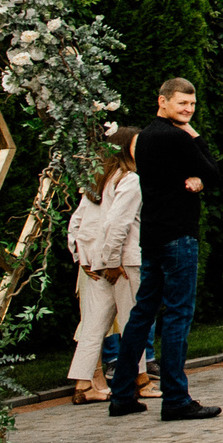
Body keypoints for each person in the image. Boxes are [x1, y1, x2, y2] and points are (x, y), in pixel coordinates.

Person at [109, 78, 221, 421]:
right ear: (163, 101)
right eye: (182, 104)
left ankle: (122, 395)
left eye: (192, 105)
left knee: (142, 313)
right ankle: (175, 398)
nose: (188, 110)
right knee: (177, 315)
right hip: (177, 236)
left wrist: (196, 178)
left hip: (153, 237)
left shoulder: (144, 138)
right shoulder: (176, 136)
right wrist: (195, 136)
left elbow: (187, 175)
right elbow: (212, 170)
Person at [68, 128, 146, 403]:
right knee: (132, 323)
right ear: (124, 149)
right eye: (137, 145)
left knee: (93, 325)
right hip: (122, 263)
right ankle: (137, 382)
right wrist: (111, 262)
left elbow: (76, 225)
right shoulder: (130, 180)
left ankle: (82, 384)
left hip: (95, 264)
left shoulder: (97, 180)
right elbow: (117, 224)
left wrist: (84, 259)